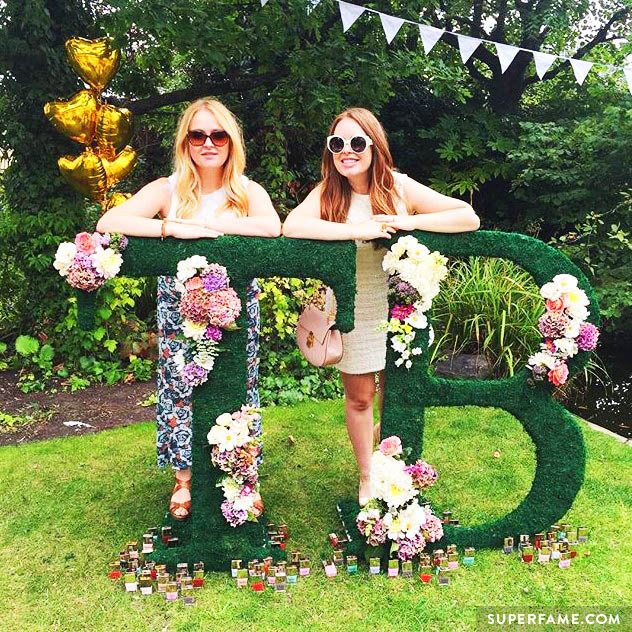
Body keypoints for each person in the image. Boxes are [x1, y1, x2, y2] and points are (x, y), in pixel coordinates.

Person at [282, 108, 479, 506]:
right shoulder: (328, 192)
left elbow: (467, 216)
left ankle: (394, 467)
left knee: (397, 394)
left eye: (357, 142)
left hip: (401, 307)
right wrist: (358, 229)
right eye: (337, 144)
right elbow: (291, 226)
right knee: (359, 397)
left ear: (374, 145)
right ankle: (368, 476)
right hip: (354, 307)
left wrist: (409, 223)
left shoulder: (399, 187)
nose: (347, 151)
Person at [97, 98, 281, 520]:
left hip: (235, 312)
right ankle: (184, 479)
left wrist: (207, 228)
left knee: (239, 386)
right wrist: (169, 226)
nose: (208, 143)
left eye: (218, 135)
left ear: (230, 142)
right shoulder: (167, 189)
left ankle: (242, 474)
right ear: (186, 142)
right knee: (180, 391)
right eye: (198, 135)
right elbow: (110, 222)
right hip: (180, 314)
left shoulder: (247, 191)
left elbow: (272, 228)